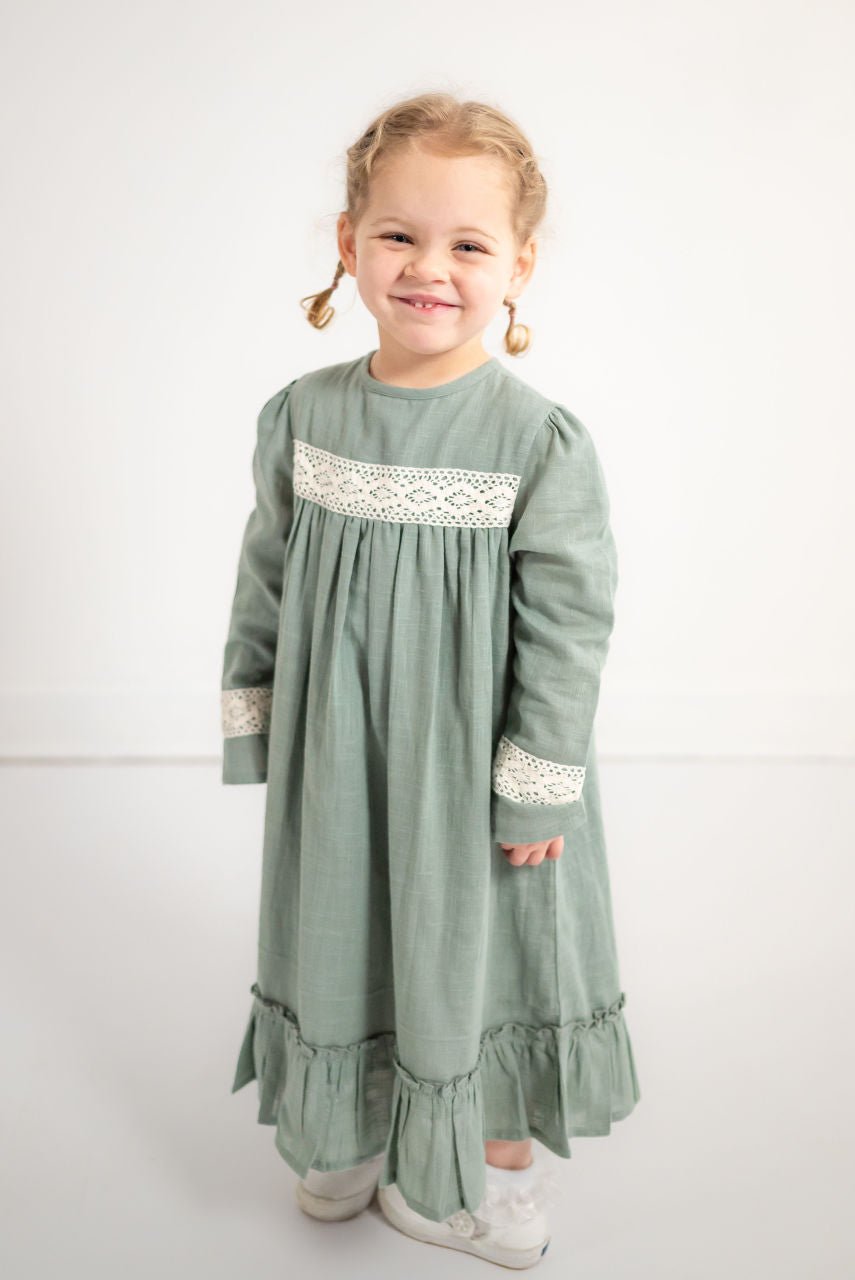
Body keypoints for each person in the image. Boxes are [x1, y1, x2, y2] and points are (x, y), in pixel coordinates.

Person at [221, 90, 640, 1268]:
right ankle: (348, 1126)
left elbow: (569, 622)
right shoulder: (302, 414)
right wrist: (258, 717)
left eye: (468, 244)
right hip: (338, 754)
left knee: (486, 948)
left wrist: (537, 781)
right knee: (340, 926)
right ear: (348, 241)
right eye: (399, 234)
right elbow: (266, 572)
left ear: (520, 265)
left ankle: (488, 1177)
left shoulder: (535, 439)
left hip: (474, 767)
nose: (428, 268)